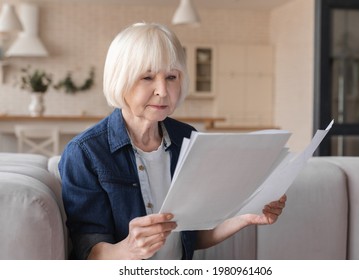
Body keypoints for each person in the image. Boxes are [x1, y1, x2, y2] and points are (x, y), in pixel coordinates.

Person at [59, 22, 287, 260]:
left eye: (171, 77)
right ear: (120, 79)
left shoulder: (188, 139)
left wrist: (245, 216)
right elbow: (88, 253)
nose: (163, 90)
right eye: (147, 77)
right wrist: (128, 249)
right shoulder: (85, 153)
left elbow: (192, 235)